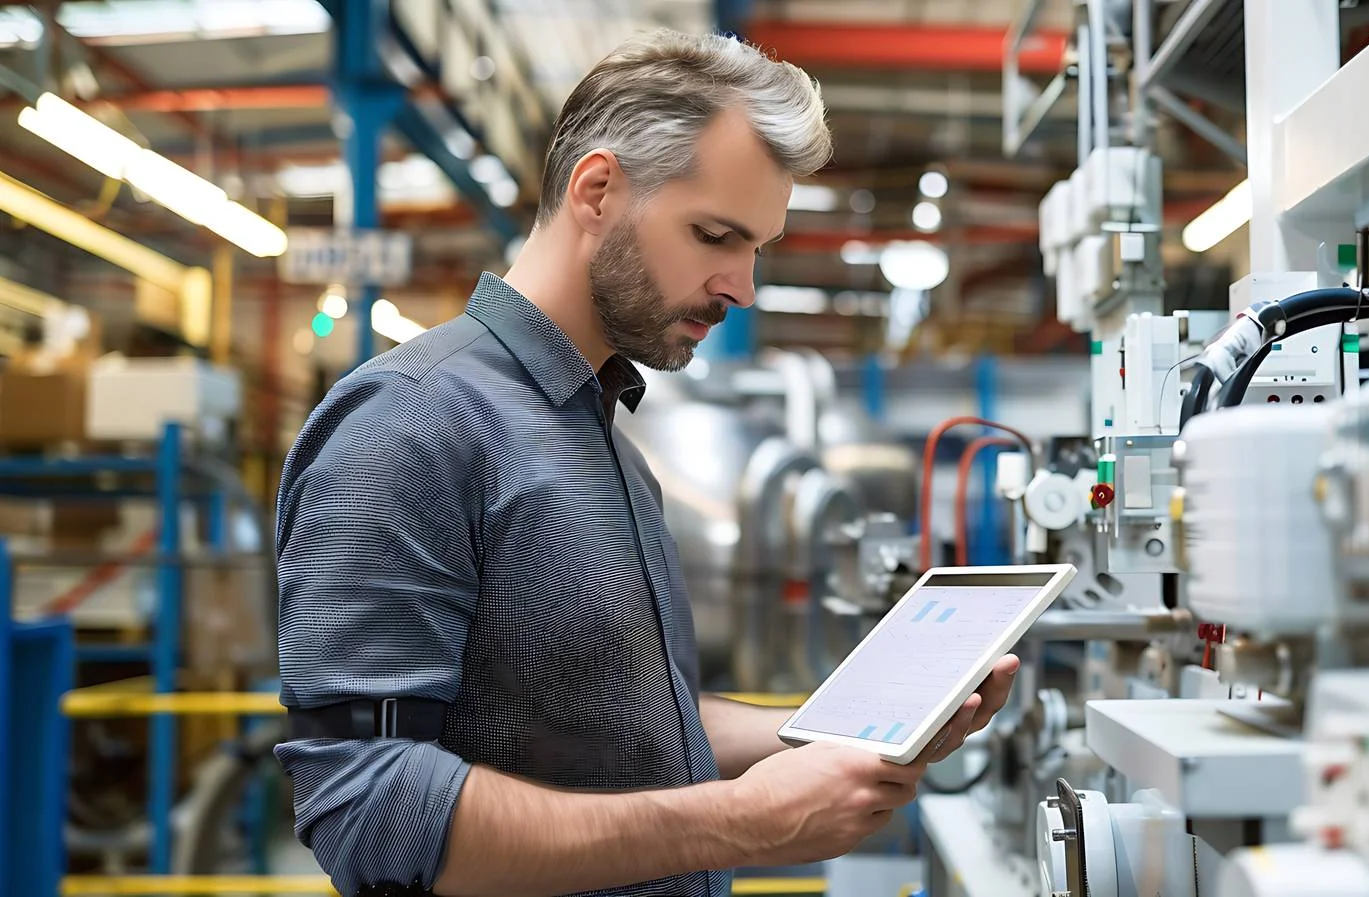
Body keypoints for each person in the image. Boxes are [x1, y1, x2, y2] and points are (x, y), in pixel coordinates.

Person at [273, 29, 1020, 897]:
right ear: (597, 191)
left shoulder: (610, 447)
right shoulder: (412, 420)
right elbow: (366, 803)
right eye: (714, 235)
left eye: (758, 249)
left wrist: (834, 736)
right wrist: (742, 818)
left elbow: (632, 720)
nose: (743, 286)